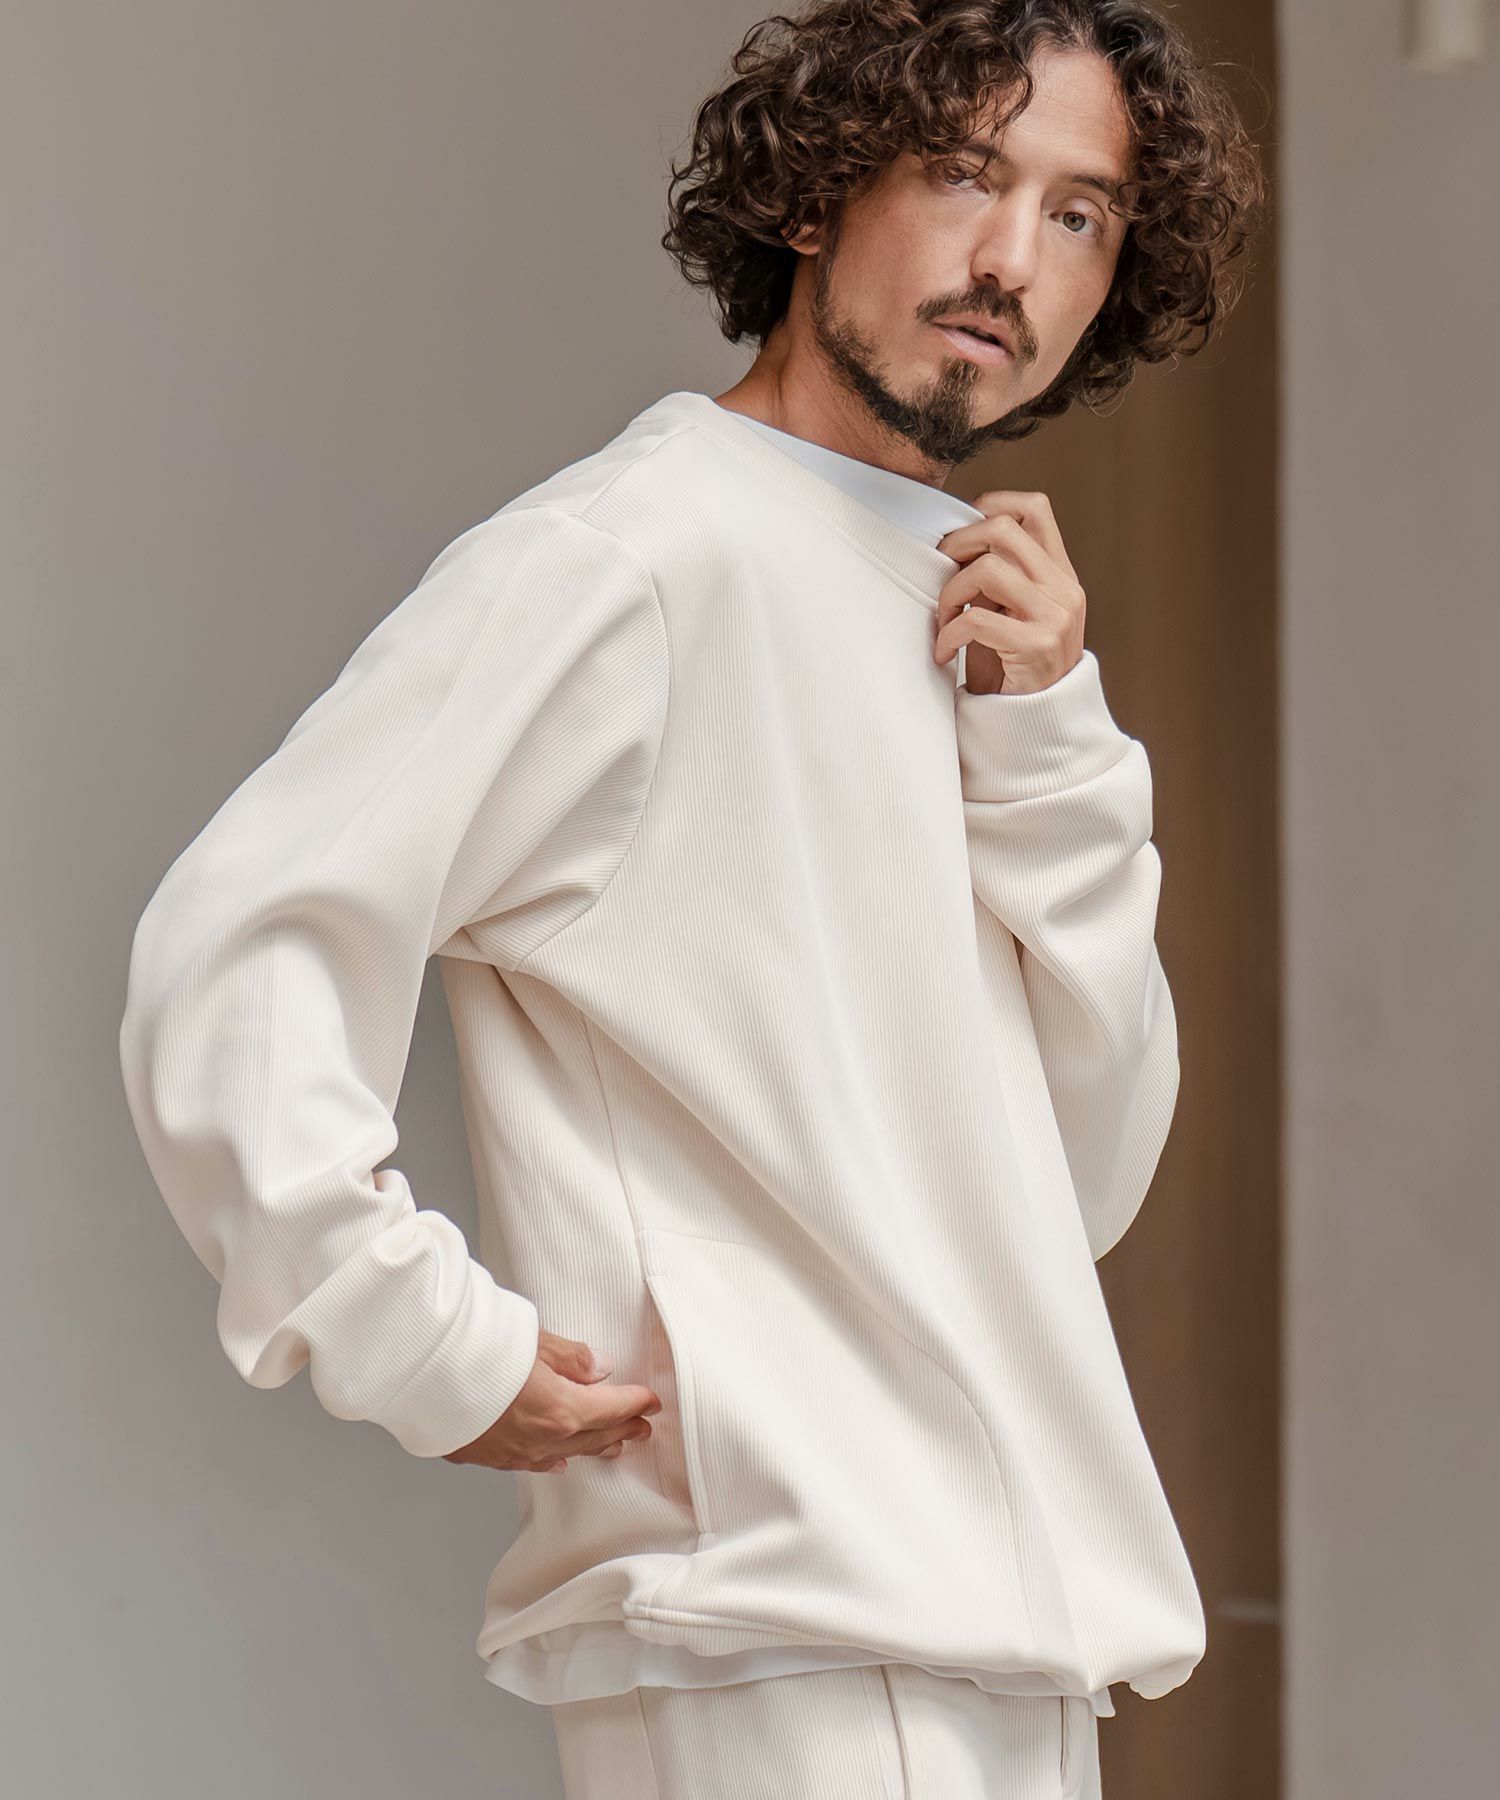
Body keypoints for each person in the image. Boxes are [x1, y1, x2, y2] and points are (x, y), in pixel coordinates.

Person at [118, 1, 1265, 1794]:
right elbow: (239, 944)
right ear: (813, 192)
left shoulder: (977, 620)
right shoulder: (629, 555)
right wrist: (409, 1332)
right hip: (774, 1630)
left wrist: (1053, 748)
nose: (1009, 259)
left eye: (1077, 214)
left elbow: (1081, 1184)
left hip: (1003, 1646)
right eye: (962, 174)